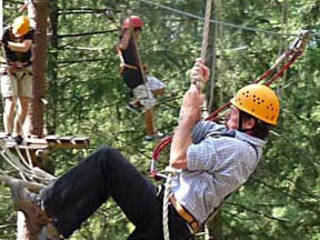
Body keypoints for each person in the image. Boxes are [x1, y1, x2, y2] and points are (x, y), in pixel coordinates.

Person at [8, 59, 280, 240]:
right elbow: (198, 128)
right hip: (167, 212)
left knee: (107, 160)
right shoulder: (234, 139)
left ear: (250, 121)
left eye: (234, 112)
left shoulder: (239, 151)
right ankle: (55, 224)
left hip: (172, 223)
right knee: (107, 170)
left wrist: (186, 116)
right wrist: (197, 87)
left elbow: (179, 156)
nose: (228, 115)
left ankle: (44, 208)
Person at [117, 15, 165, 141]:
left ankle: (136, 103)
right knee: (149, 105)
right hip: (134, 79)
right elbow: (122, 46)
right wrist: (129, 30)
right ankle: (151, 134)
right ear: (135, 30)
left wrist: (142, 66)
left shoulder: (133, 44)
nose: (139, 34)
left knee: (161, 88)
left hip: (141, 76)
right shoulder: (125, 41)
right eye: (138, 31)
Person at [0, 16, 35, 144]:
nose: (18, 35)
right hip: (8, 70)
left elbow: (25, 47)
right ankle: (8, 133)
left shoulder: (30, 32)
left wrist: (7, 44)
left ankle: (17, 133)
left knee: (25, 103)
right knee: (11, 101)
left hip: (25, 69)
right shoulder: (4, 33)